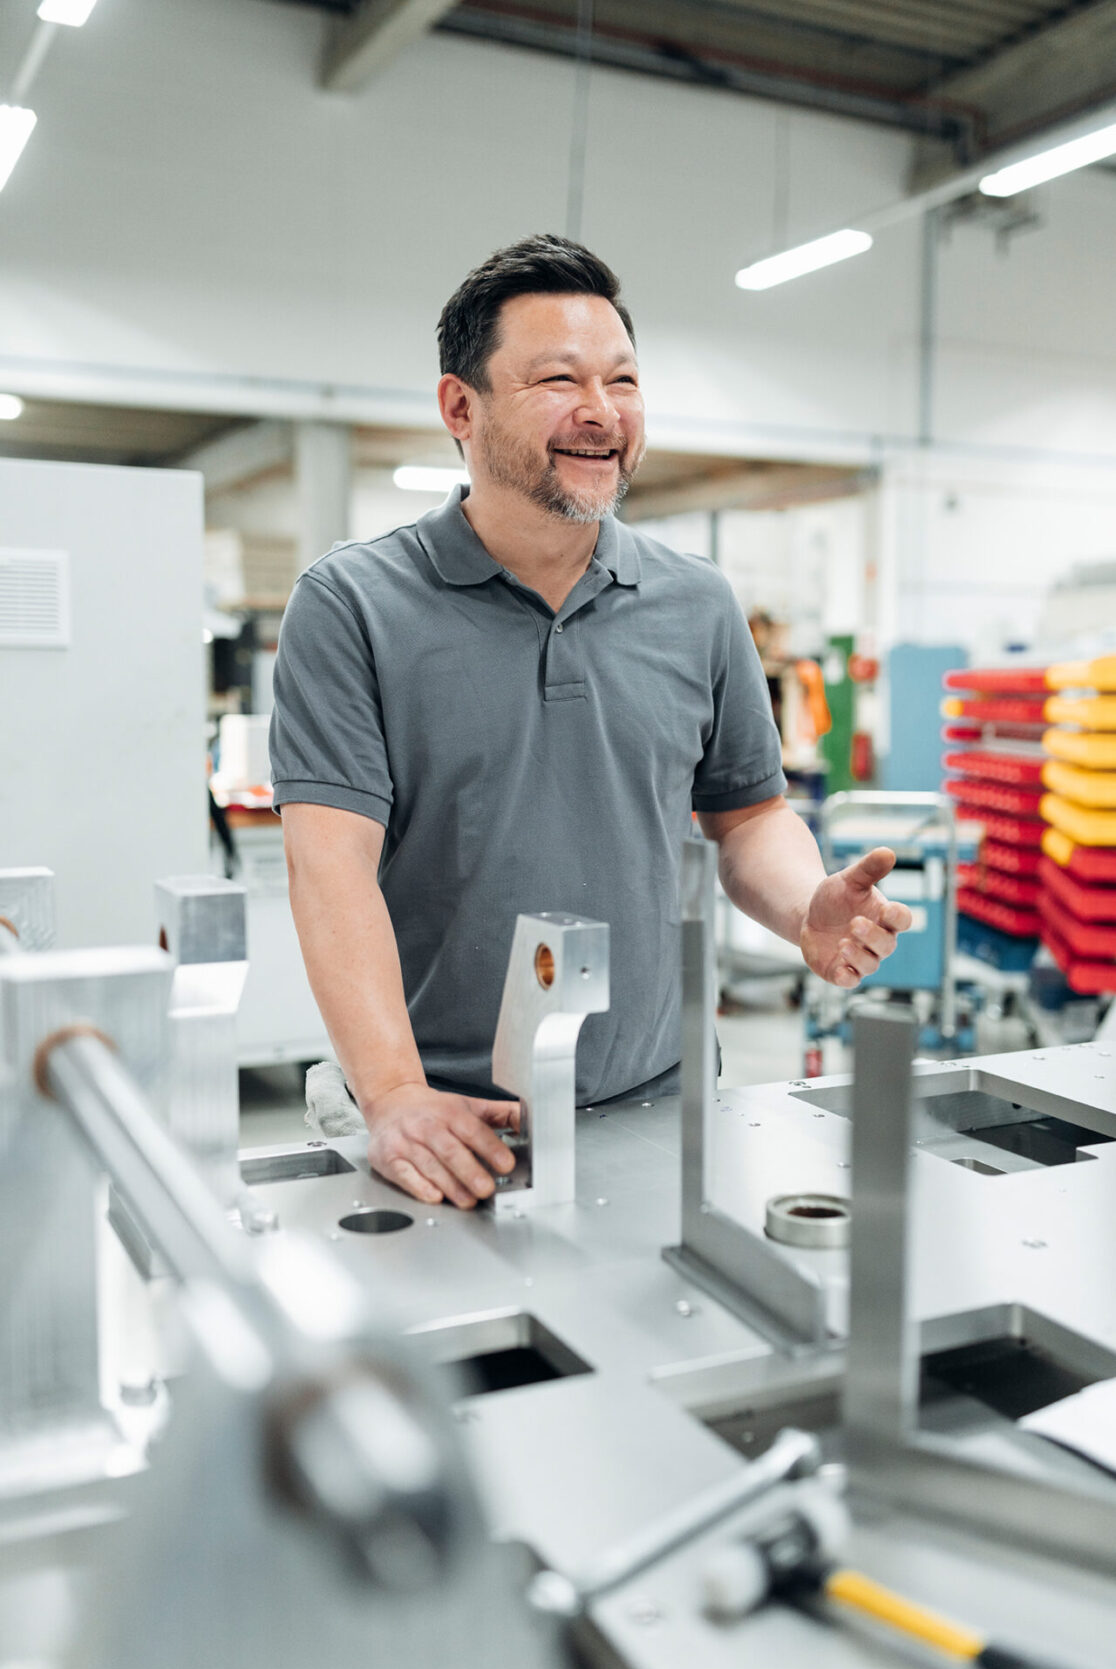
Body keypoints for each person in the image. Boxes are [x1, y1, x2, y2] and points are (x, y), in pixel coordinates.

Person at [269, 234, 912, 1212]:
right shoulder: (354, 605)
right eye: (558, 379)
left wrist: (801, 907)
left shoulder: (697, 604)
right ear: (459, 407)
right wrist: (395, 1094)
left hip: (658, 1104)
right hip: (442, 1125)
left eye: (624, 379)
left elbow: (747, 816)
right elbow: (330, 864)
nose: (602, 412)